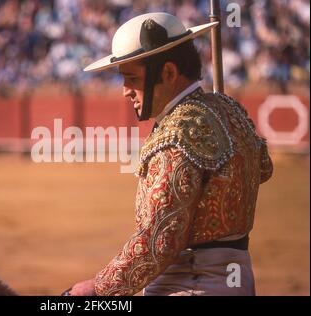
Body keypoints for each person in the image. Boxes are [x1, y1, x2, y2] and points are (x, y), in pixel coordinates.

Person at [68, 12, 273, 296]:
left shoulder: (176, 136)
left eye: (132, 78)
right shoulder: (229, 109)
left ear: (168, 73)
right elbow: (264, 167)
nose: (126, 91)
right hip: (238, 281)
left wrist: (96, 288)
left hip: (189, 284)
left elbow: (157, 241)